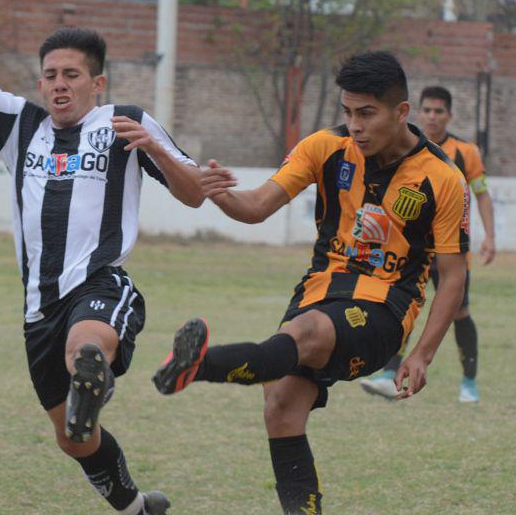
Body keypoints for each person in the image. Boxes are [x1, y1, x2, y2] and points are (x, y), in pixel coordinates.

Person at [0, 0, 203, 513]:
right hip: (36, 311)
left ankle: (92, 374)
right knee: (73, 438)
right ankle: (136, 506)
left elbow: (193, 194)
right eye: (50, 74)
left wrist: (156, 148)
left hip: (99, 282)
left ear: (97, 84)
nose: (58, 84)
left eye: (72, 75)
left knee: (88, 347)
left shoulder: (126, 122)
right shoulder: (18, 125)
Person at [152, 51, 470, 514]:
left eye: (367, 113)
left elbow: (454, 276)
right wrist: (217, 193)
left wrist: (421, 354)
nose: (355, 125)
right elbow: (257, 206)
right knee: (281, 405)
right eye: (347, 112)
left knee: (306, 333)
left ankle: (197, 366)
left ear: (401, 112)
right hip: (318, 291)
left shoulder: (443, 178)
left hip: (385, 309)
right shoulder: (324, 147)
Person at [360, 85, 495, 403]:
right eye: (428, 110)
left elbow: (482, 194)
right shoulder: (401, 147)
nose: (433, 117)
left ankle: (469, 384)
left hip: (449, 250)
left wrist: (490, 235)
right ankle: (389, 373)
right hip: (411, 249)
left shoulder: (466, 152)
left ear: (449, 115)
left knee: (459, 312)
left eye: (439, 111)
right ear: (417, 112)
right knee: (399, 306)